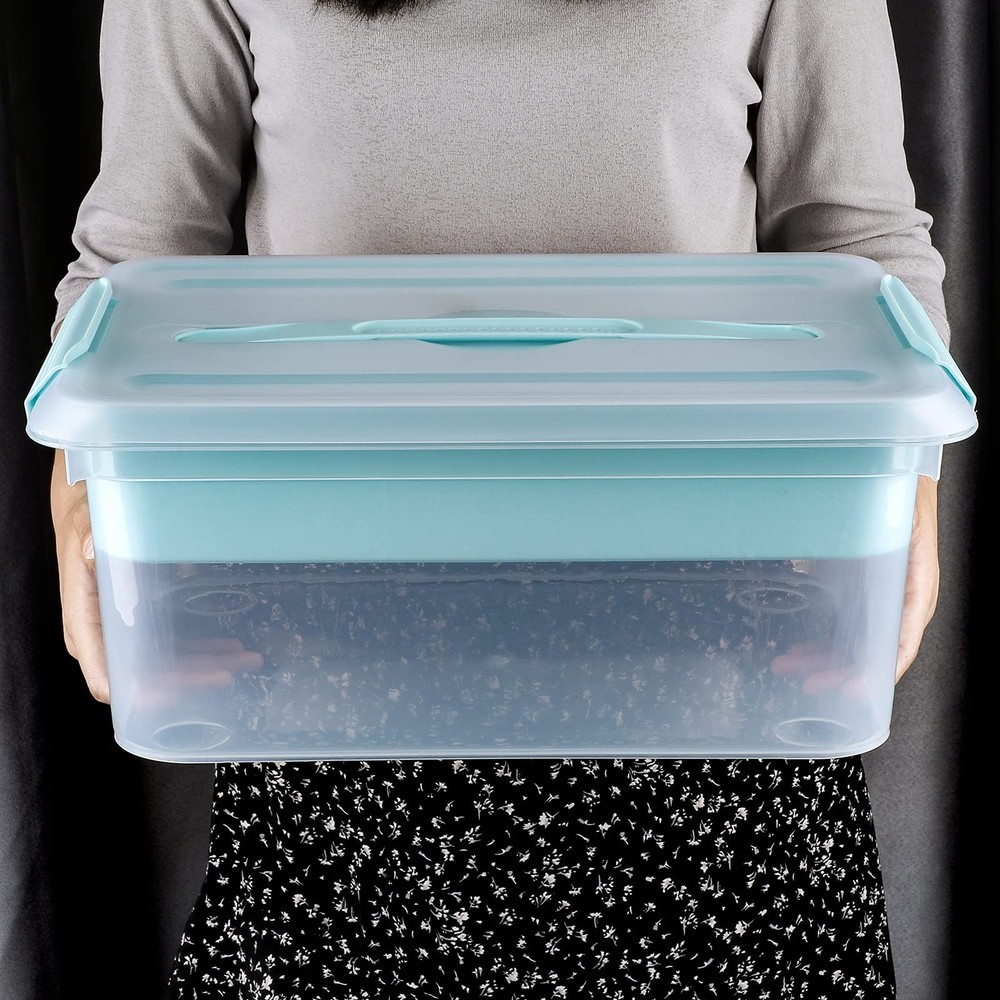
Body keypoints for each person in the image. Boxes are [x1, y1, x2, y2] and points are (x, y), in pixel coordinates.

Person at [49, 1, 948, 996]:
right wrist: (84, 499)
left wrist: (907, 488)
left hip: (718, 700)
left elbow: (856, 240)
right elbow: (139, 262)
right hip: (337, 707)